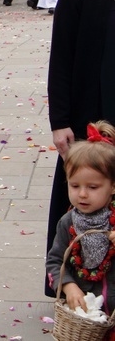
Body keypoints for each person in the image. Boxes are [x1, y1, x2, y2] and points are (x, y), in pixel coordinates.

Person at [46, 0, 115, 299]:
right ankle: (74, 290)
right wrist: (60, 122)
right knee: (83, 204)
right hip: (88, 119)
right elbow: (61, 61)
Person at [46, 121, 115, 313]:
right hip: (87, 314)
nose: (82, 194)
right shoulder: (68, 222)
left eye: (93, 187)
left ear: (113, 187)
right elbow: (55, 262)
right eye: (75, 186)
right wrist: (68, 286)